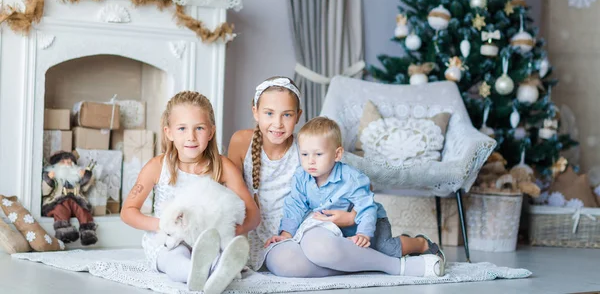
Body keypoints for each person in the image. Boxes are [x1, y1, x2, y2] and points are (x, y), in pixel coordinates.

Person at [228, 77, 443, 278]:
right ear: (255, 112)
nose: (277, 123)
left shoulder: (307, 148)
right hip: (275, 236)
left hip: (314, 226)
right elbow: (233, 197)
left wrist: (351, 218)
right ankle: (360, 262)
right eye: (269, 113)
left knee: (320, 248)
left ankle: (397, 267)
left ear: (298, 115)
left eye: (287, 114)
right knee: (286, 265)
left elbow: (349, 187)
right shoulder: (241, 141)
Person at [265, 116, 445, 277]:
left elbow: (367, 207)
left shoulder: (351, 177)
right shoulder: (301, 177)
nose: (310, 161)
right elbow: (294, 206)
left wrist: (363, 233)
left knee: (387, 248)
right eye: (304, 154)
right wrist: (286, 234)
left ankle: (420, 243)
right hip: (335, 231)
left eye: (318, 154)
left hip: (368, 222)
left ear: (337, 154)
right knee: (335, 252)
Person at [121, 91, 260, 294]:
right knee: (174, 259)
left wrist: (228, 233)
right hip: (170, 240)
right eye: (182, 128)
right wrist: (161, 225)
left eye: (199, 128)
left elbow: (254, 215)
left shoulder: (223, 166)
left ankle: (218, 268)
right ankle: (198, 273)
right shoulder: (157, 166)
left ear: (211, 132)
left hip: (208, 240)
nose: (191, 137)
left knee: (217, 254)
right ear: (169, 132)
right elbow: (128, 211)